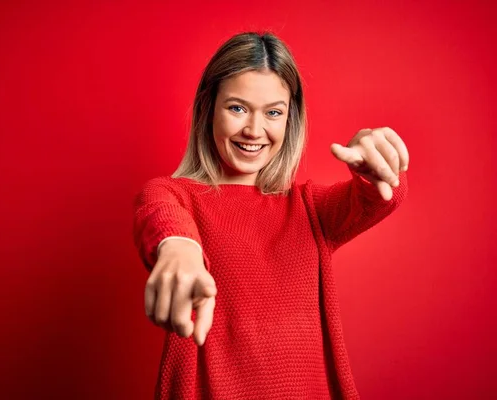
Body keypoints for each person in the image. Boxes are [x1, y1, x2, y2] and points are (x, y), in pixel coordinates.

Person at [133, 31, 409, 400]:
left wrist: (378, 164)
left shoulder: (312, 210)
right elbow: (161, 218)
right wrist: (179, 251)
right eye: (237, 108)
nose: (254, 130)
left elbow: (379, 198)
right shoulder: (173, 194)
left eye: (273, 112)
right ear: (207, 108)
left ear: (289, 119)